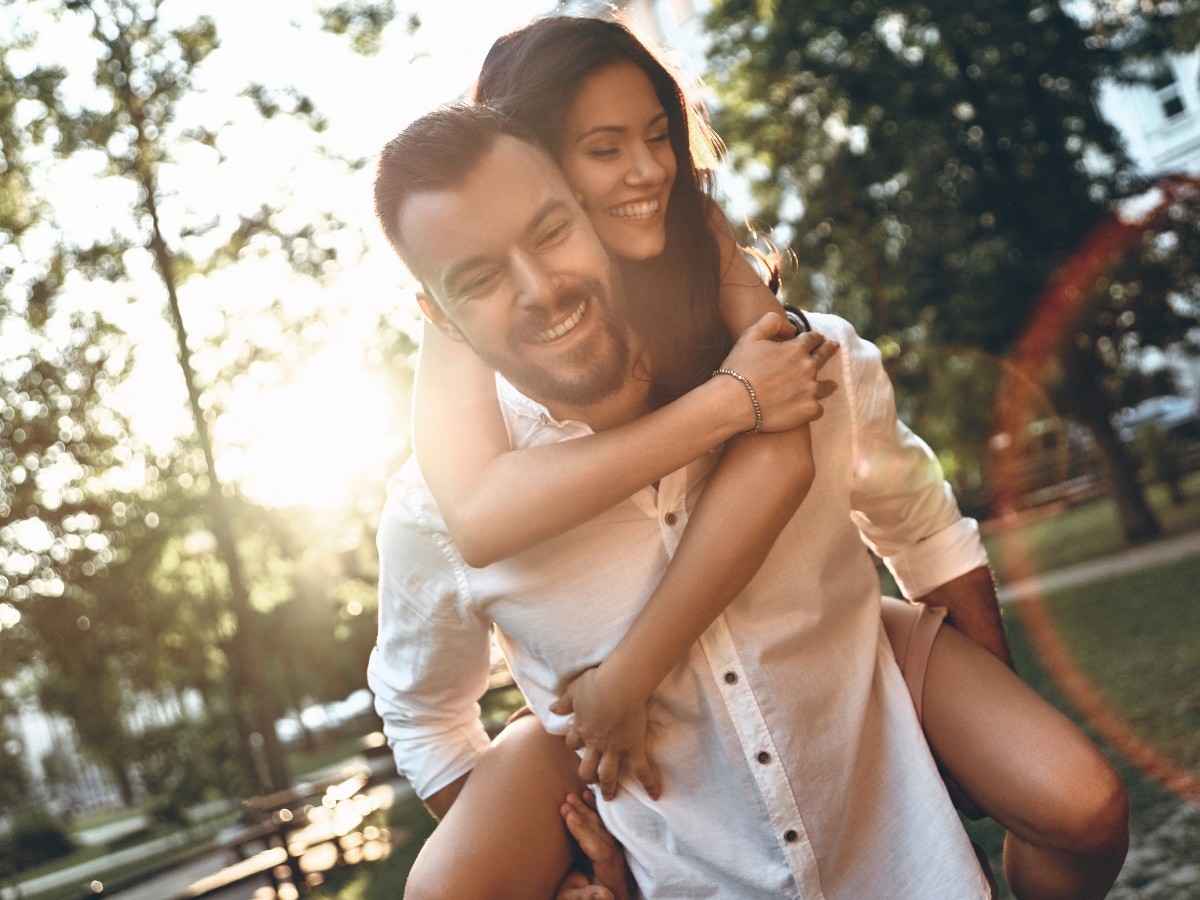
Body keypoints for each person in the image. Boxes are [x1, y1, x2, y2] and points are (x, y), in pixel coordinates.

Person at [373, 14, 1129, 900]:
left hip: (874, 772)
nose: (645, 172)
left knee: (1082, 806)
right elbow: (439, 654)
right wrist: (569, 865)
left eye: (656, 138)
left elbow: (900, 514)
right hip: (676, 850)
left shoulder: (790, 348)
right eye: (603, 149)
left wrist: (965, 748)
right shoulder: (442, 485)